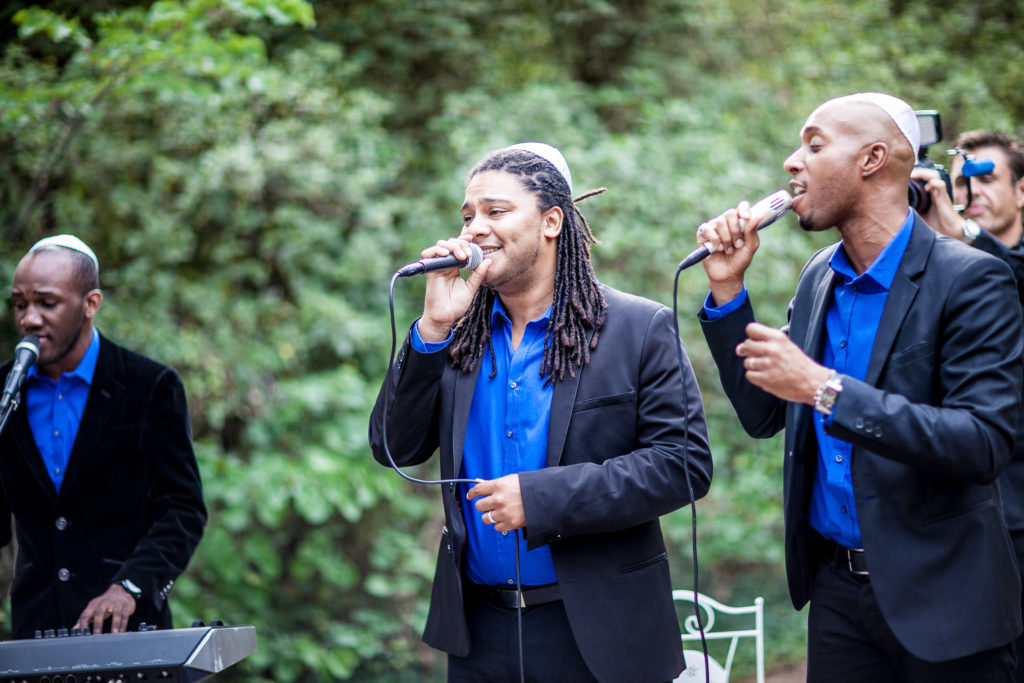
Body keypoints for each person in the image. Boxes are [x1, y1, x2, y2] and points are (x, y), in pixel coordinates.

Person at [697, 94, 1023, 681]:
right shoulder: (820, 274)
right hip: (838, 596)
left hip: (944, 598)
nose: (793, 163)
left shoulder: (973, 279)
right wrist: (727, 293)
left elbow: (983, 443)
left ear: (872, 158)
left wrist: (825, 389)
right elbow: (763, 413)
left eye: (814, 145)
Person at [368, 142, 713, 682]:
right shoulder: (456, 334)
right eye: (467, 215)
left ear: (552, 221)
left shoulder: (637, 328)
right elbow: (395, 446)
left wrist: (540, 498)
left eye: (495, 211)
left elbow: (683, 466)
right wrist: (431, 332)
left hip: (600, 633)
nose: (474, 228)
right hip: (480, 633)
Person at [0, 235, 207, 638]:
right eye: (20, 304)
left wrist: (130, 587)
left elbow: (182, 509)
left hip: (128, 632)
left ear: (90, 303)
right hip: (35, 632)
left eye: (47, 302)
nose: (29, 319)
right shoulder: (5, 391)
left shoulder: (149, 385)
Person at [912, 130, 1024, 680]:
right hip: (965, 506)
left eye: (987, 178)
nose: (971, 191)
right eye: (961, 183)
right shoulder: (946, 265)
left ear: (1022, 190)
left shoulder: (985, 262)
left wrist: (967, 237)